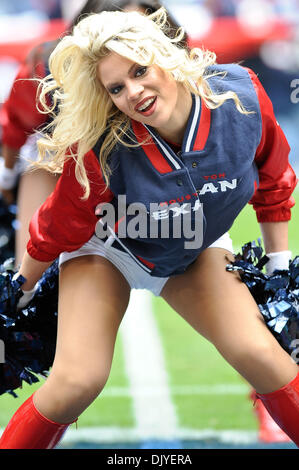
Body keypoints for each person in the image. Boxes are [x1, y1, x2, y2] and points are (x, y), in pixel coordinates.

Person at [0, 7, 297, 450]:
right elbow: (61, 223)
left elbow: (273, 179)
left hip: (195, 243)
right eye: (116, 87)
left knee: (263, 356)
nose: (134, 92)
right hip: (110, 247)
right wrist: (18, 290)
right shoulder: (105, 141)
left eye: (140, 70)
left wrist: (278, 268)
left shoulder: (241, 97)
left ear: (166, 52)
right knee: (77, 381)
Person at [0, 0, 183, 268]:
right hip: (63, 164)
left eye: (139, 30)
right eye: (114, 32)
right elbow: (15, 124)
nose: (127, 44)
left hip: (143, 173)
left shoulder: (184, 75)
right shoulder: (48, 73)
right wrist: (6, 182)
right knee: (34, 278)